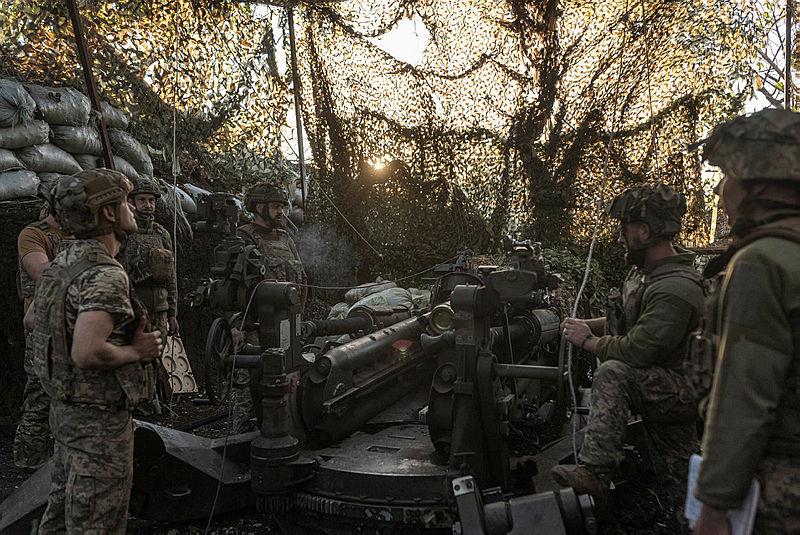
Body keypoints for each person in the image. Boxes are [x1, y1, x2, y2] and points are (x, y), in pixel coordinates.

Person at [551, 183, 704, 504]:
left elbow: (638, 349)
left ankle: (595, 472)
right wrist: (586, 325)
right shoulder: (648, 276)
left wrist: (589, 341)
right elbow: (632, 322)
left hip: (679, 391)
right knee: (681, 484)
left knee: (614, 372)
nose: (620, 237)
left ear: (645, 232)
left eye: (626, 228)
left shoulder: (675, 288)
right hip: (657, 384)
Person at [31, 169, 162, 533]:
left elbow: (33, 319)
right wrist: (137, 351)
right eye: (125, 203)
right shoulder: (106, 273)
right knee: (95, 522)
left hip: (66, 414)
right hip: (99, 424)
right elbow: (88, 352)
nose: (133, 210)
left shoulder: (61, 262)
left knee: (60, 515)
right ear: (108, 213)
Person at [692, 109, 800, 534]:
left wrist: (715, 506)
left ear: (759, 179)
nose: (721, 193)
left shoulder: (762, 263)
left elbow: (744, 397)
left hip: (780, 490)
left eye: (727, 176)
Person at [228, 182, 307, 432]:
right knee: (247, 390)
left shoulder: (285, 238)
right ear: (259, 208)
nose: (280, 212)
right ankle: (237, 441)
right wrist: (235, 324)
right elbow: (230, 287)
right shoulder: (242, 237)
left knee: (286, 381)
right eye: (275, 207)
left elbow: (300, 278)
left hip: (286, 324)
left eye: (282, 207)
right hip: (253, 327)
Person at [13, 182, 72, 469]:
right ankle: (29, 461)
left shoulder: (83, 237)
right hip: (43, 328)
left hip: (77, 327)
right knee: (39, 396)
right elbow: (42, 272)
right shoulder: (34, 234)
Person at [118, 176, 179, 344]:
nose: (148, 205)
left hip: (160, 308)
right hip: (132, 307)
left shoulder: (162, 234)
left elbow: (171, 276)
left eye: (151, 200)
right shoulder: (124, 231)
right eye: (142, 200)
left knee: (157, 354)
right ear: (131, 201)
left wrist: (172, 314)